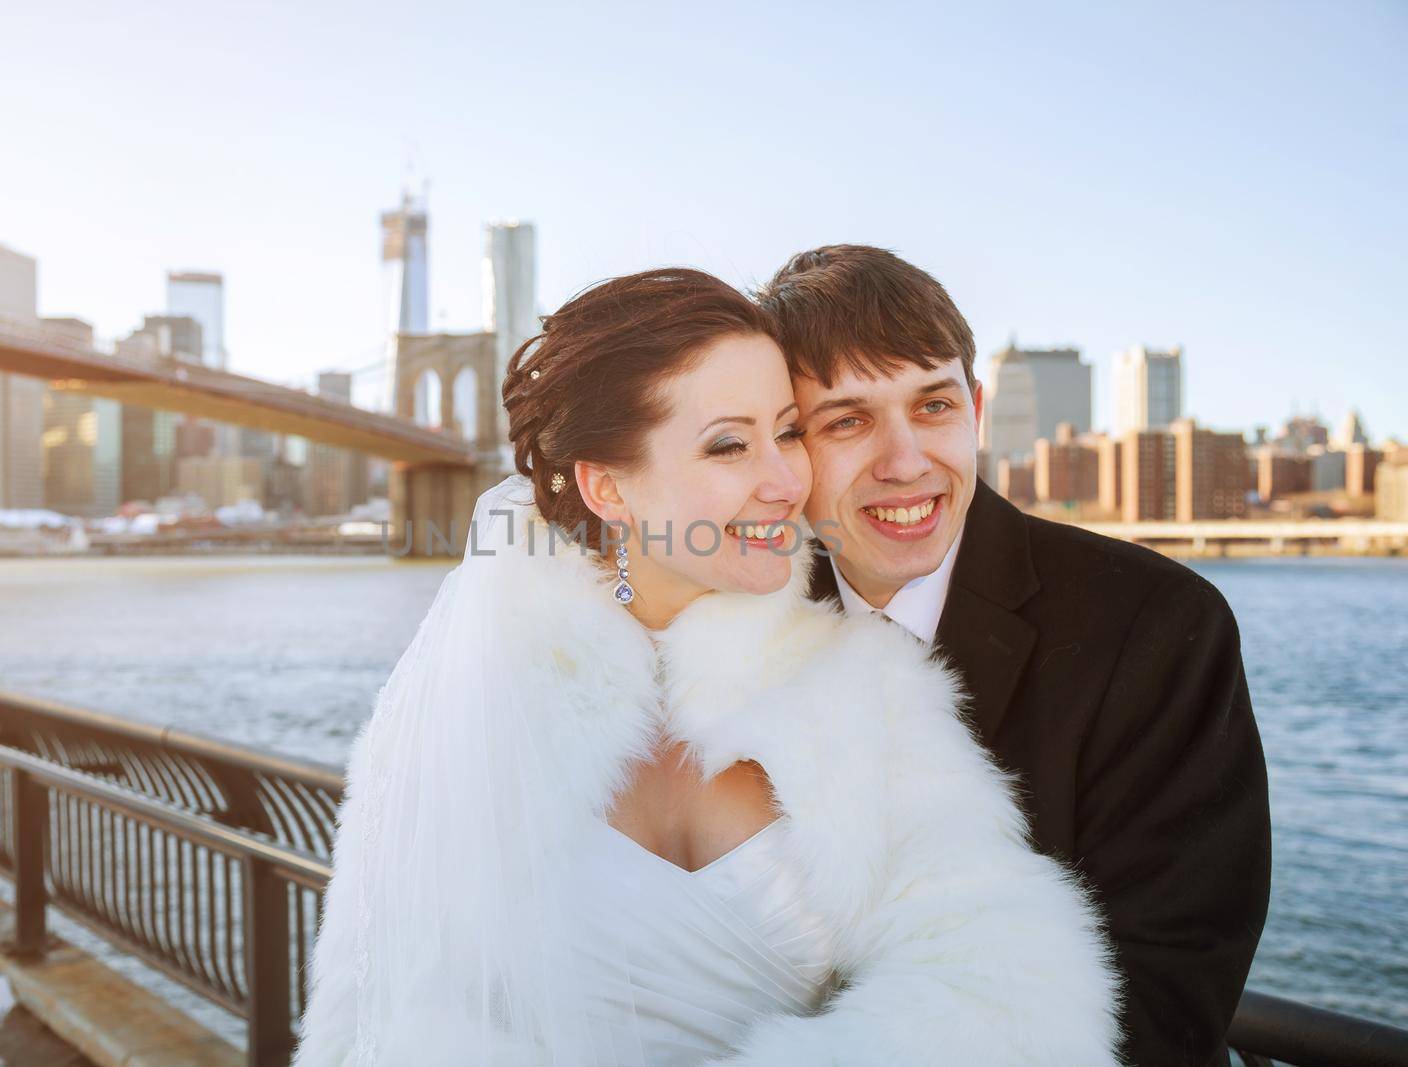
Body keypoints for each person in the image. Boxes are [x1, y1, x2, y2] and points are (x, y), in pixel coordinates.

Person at [294, 268, 1121, 1066]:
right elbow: (384, 1017)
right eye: (729, 445)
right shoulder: (480, 703)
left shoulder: (869, 693)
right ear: (607, 490)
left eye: (788, 431)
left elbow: (1006, 990)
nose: (785, 480)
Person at [757, 244, 1272, 1067]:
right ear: (785, 444)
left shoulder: (1160, 625)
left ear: (978, 409)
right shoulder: (737, 619)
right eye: (847, 420)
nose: (905, 461)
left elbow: (1164, 998)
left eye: (933, 406)